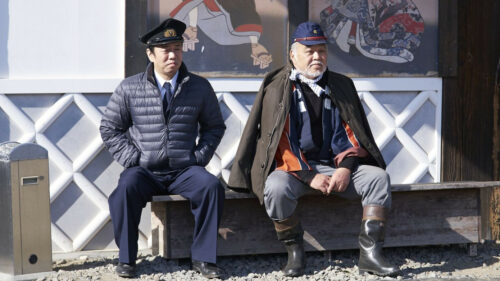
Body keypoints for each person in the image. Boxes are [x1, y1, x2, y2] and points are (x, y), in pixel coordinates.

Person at [228, 21, 399, 277]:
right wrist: (310, 176)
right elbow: (279, 142)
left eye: (321, 51)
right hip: (294, 170)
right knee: (274, 188)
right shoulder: (278, 88)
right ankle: (295, 251)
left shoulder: (340, 85)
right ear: (293, 55)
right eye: (309, 51)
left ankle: (370, 254)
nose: (317, 57)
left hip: (335, 167)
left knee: (377, 179)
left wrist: (344, 169)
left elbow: (352, 133)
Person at [100, 18, 226, 279]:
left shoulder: (199, 87)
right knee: (125, 189)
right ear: (150, 53)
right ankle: (127, 259)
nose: (173, 55)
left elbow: (214, 127)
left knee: (211, 187)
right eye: (166, 50)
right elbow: (110, 129)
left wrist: (199, 157)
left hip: (184, 169)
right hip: (144, 170)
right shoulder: (129, 88)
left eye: (177, 48)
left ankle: (204, 258)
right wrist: (133, 158)